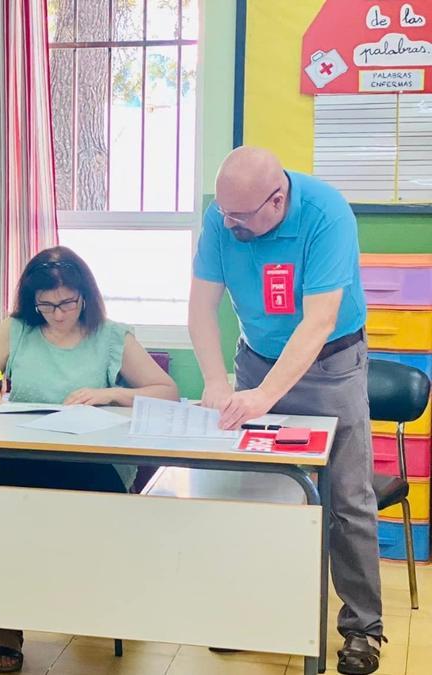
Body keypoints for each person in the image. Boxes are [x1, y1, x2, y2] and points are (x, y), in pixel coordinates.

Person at [190, 146, 381, 675]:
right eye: (223, 214)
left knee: (346, 500)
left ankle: (362, 629)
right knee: (254, 496)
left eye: (240, 217)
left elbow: (319, 321)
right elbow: (201, 304)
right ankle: (254, 613)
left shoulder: (326, 214)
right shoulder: (223, 215)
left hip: (330, 366)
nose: (228, 225)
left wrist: (263, 398)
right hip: (256, 361)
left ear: (276, 200)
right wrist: (213, 378)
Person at [0, 246, 178, 673]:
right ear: (32, 301)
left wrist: (111, 394)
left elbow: (166, 391)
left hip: (91, 467)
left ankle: (80, 605)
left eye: (66, 303)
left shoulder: (112, 335)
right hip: (21, 460)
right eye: (46, 305)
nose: (57, 314)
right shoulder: (18, 329)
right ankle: (8, 628)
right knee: (9, 521)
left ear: (84, 295)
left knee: (34, 518)